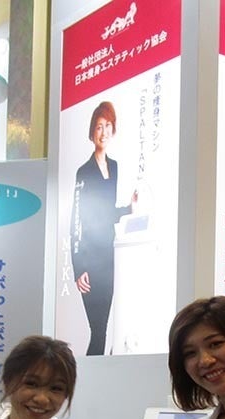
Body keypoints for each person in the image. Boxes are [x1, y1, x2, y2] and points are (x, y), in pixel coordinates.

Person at [71, 100, 134, 356]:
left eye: (108, 126)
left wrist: (129, 208)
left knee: (103, 329)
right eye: (99, 126)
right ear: (92, 132)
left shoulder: (114, 167)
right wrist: (79, 267)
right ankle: (86, 375)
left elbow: (107, 214)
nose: (104, 132)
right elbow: (76, 219)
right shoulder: (83, 172)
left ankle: (89, 375)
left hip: (109, 256)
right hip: (90, 261)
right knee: (97, 329)